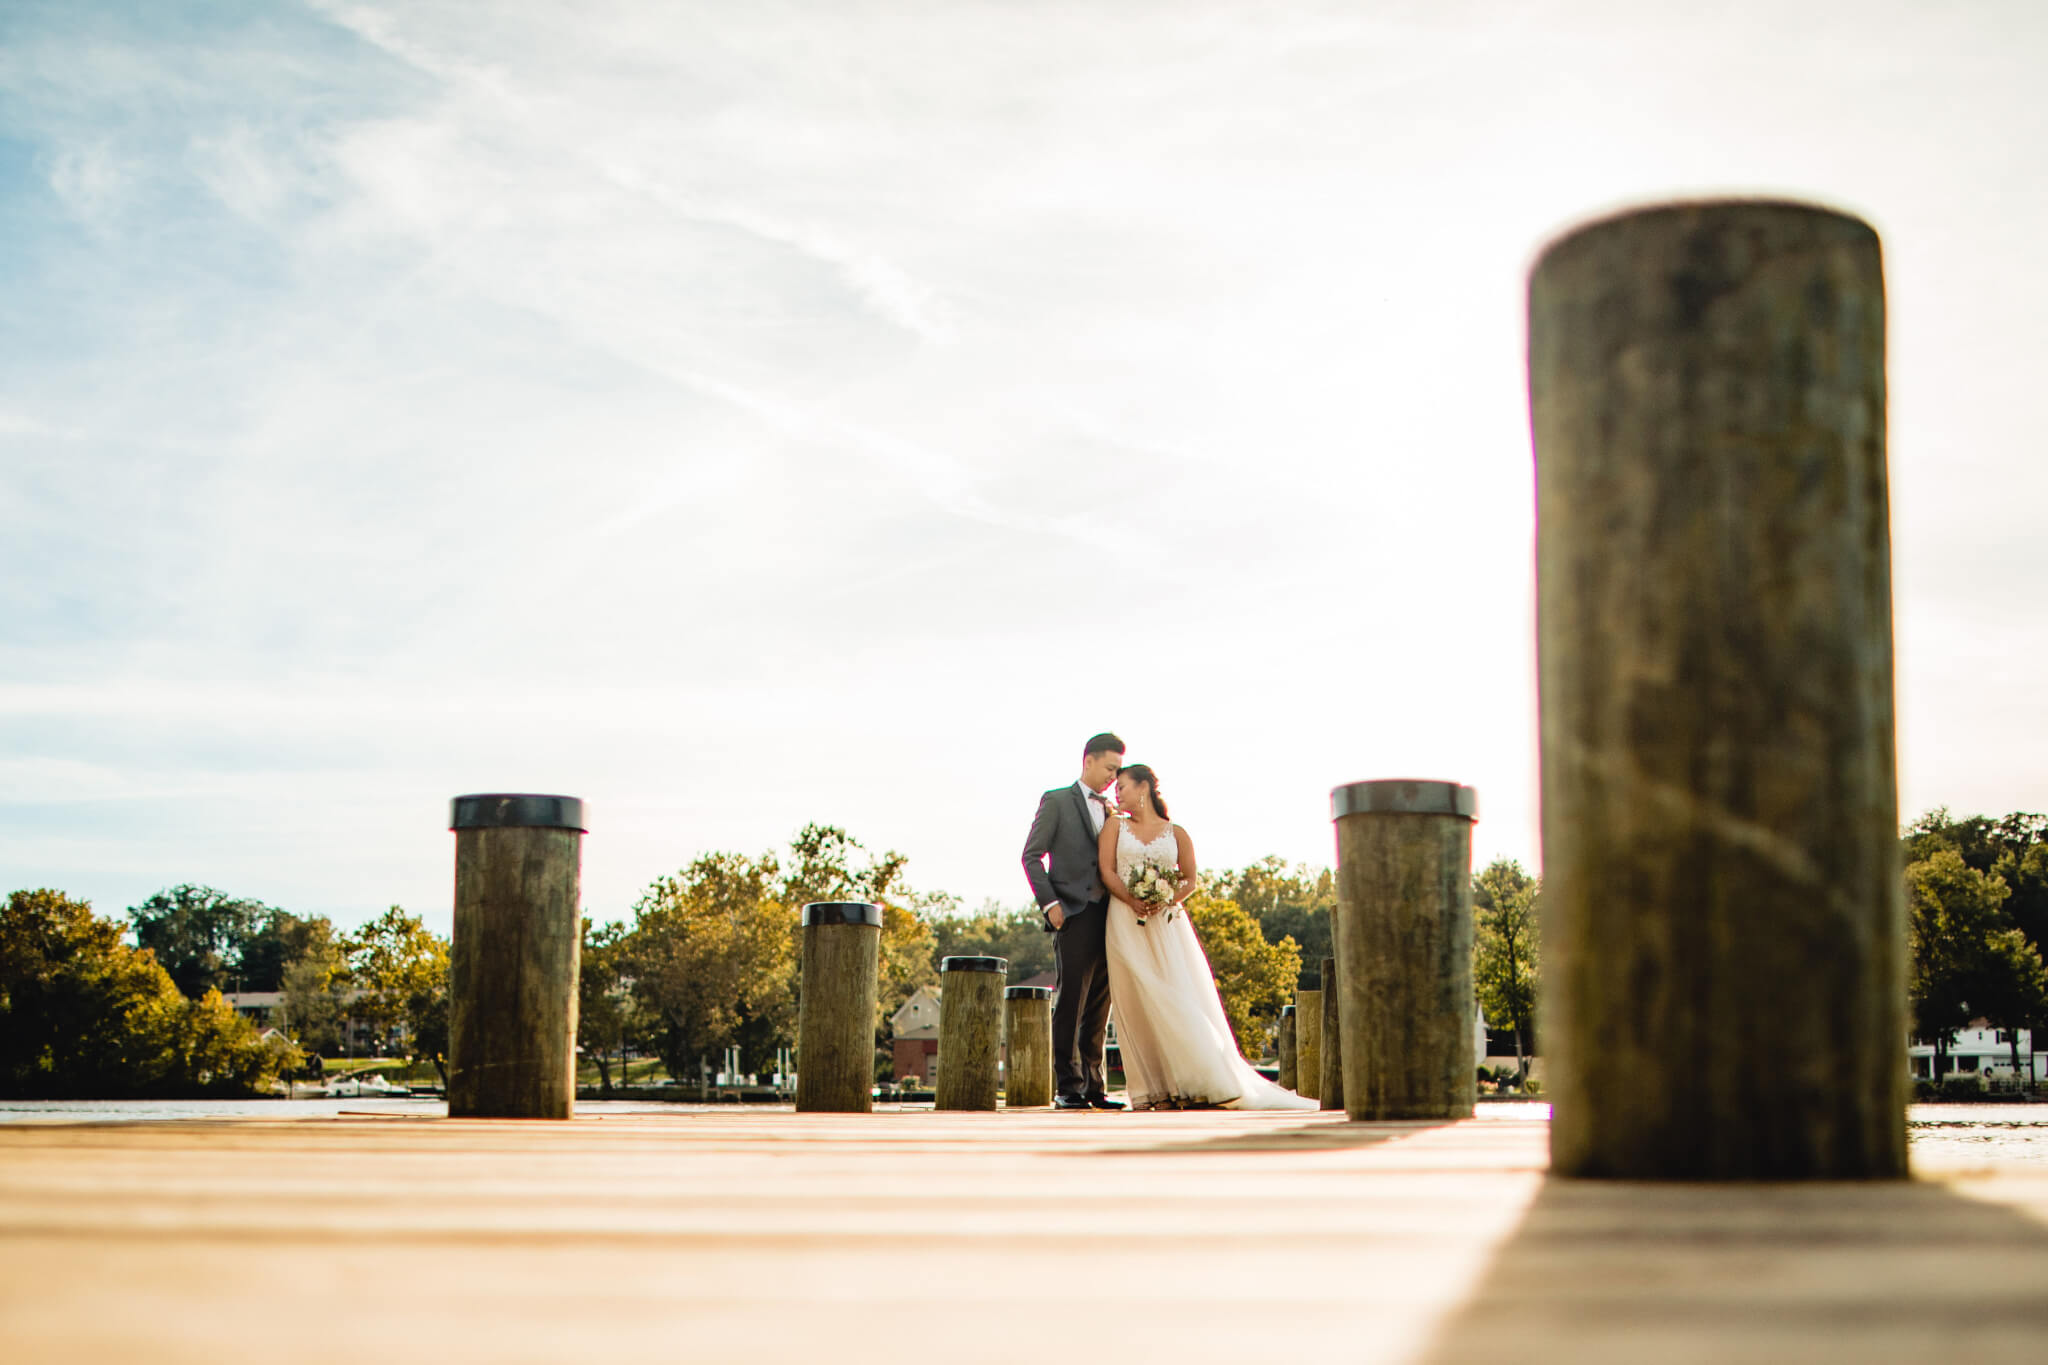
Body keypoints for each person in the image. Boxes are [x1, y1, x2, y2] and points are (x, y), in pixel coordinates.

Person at [1097, 763, 1316, 1111]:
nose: (1116, 793)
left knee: (1175, 992)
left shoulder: (1177, 833)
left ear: (1143, 788)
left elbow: (1190, 880)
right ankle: (1154, 1089)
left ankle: (1198, 1079)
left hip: (1167, 923)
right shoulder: (1115, 826)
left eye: (1121, 786)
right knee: (1138, 996)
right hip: (1124, 920)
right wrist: (1133, 899)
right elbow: (1107, 870)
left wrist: (1165, 897)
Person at [1022, 733, 1128, 1110]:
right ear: (1089, 761)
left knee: (1101, 1005)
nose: (1113, 778)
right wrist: (1050, 903)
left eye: (1118, 772)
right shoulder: (1056, 801)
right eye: (1110, 769)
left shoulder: (1114, 811)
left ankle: (1095, 1088)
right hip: (1072, 913)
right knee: (1071, 1001)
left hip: (1111, 916)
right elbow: (1031, 856)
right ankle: (1067, 1088)